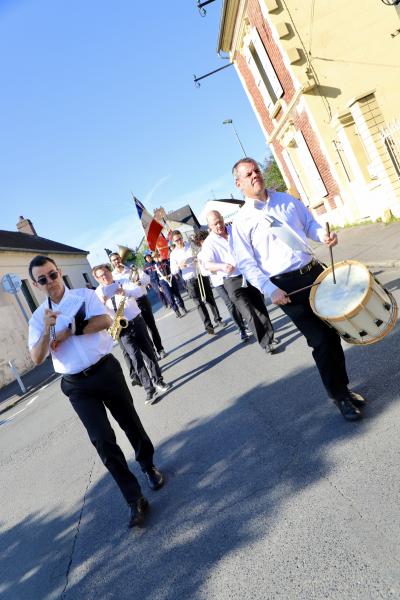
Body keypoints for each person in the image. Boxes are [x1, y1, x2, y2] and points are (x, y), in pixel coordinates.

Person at [27, 255, 164, 529]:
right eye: (42, 279)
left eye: (52, 275)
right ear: (35, 284)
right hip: (76, 385)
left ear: (59, 272)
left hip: (104, 369)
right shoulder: (38, 318)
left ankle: (148, 466)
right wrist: (47, 331)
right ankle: (133, 497)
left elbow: (104, 321)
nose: (50, 282)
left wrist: (69, 331)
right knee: (102, 441)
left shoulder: (84, 295)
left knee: (130, 423)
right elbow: (37, 357)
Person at [230, 157, 366, 421]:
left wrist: (323, 235)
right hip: (285, 287)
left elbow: (310, 225)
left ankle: (344, 389)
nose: (255, 175)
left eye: (256, 170)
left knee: (334, 333)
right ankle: (339, 397)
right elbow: (246, 263)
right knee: (320, 341)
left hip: (313, 273)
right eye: (248, 174)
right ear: (239, 183)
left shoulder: (286, 200)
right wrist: (270, 290)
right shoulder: (243, 220)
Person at [93, 264, 171, 405]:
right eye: (101, 275)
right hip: (121, 329)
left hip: (136, 322)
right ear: (97, 279)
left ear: (110, 272)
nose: (105, 276)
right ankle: (149, 390)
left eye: (106, 272)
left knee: (149, 353)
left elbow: (139, 292)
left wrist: (125, 293)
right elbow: (96, 313)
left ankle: (159, 381)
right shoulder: (98, 293)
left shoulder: (122, 281)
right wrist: (102, 302)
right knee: (135, 358)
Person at [202, 211, 279, 350]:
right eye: (215, 224)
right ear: (209, 226)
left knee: (260, 307)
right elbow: (207, 264)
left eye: (220, 221)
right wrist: (221, 266)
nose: (219, 225)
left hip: (250, 274)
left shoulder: (235, 230)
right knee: (248, 313)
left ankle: (270, 336)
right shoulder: (209, 243)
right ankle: (265, 343)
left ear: (223, 219)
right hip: (232, 280)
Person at [110, 252, 167, 359]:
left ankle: (160, 349)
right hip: (129, 305)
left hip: (141, 300)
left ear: (121, 259)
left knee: (151, 326)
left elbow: (147, 278)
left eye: (118, 258)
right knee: (142, 331)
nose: (117, 261)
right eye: (114, 260)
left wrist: (140, 281)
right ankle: (152, 353)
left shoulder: (132, 268)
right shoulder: (113, 276)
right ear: (112, 263)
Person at [169, 229, 223, 335]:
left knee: (209, 298)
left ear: (182, 237)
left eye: (180, 238)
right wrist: (180, 265)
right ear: (173, 242)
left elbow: (201, 253)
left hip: (200, 274)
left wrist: (197, 259)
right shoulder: (173, 254)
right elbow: (172, 270)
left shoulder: (191, 245)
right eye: (176, 240)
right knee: (199, 303)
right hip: (189, 280)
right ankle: (208, 326)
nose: (179, 241)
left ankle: (218, 319)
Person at [153, 251, 187, 318]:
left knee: (177, 294)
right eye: (154, 257)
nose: (156, 258)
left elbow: (172, 267)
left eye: (157, 256)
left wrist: (162, 260)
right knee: (170, 297)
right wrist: (159, 286)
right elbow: (155, 278)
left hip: (171, 278)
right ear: (153, 259)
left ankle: (183, 307)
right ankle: (177, 311)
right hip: (163, 282)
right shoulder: (154, 266)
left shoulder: (166, 261)